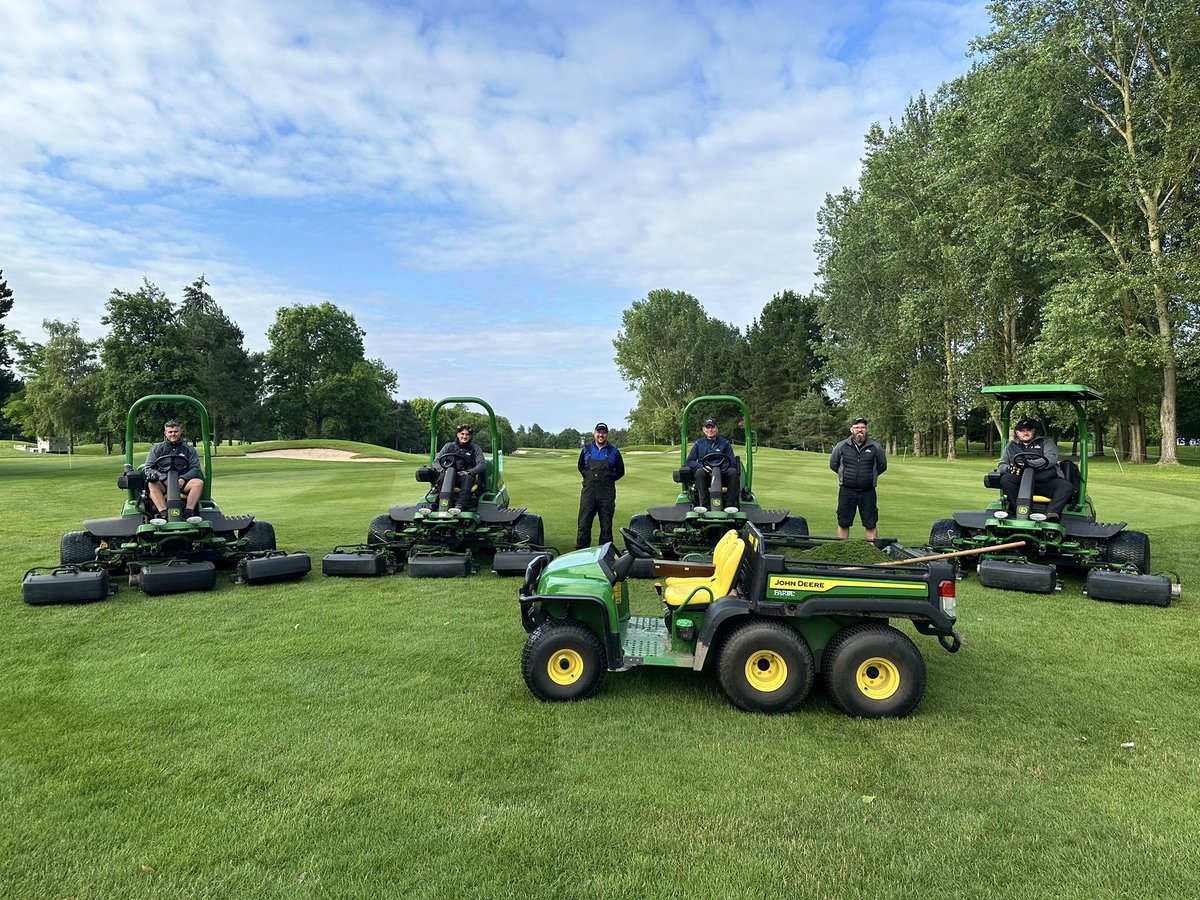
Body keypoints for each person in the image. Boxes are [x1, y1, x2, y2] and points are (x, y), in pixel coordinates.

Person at [997, 418, 1072, 519]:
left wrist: (1028, 465)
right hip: (1022, 481)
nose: (1025, 433)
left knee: (1066, 486)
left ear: (1033, 431)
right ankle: (1018, 511)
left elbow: (1051, 459)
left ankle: (1051, 512)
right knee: (1006, 479)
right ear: (1017, 433)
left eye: (1028, 430)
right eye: (1022, 431)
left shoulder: (1045, 442)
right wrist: (1009, 469)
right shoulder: (1011, 446)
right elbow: (1002, 464)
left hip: (1045, 480)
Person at [829, 417, 887, 540]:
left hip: (868, 491)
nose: (860, 430)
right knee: (843, 522)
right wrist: (846, 476)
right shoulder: (841, 446)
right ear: (851, 430)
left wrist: (869, 478)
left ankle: (871, 551)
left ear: (866, 430)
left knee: (870, 523)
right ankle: (842, 549)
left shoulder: (875, 447)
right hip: (847, 490)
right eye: (857, 427)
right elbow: (834, 464)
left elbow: (882, 466)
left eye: (863, 427)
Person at [576, 422, 625, 549]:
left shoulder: (614, 451)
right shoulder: (586, 450)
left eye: (603, 432)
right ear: (594, 433)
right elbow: (581, 467)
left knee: (606, 526)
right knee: (583, 525)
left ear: (607, 434)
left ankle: (605, 557)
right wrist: (590, 478)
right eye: (599, 432)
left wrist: (608, 480)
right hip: (589, 494)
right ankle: (581, 555)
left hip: (606, 494)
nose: (601, 435)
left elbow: (620, 472)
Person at [144, 419, 204, 521]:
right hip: (163, 484)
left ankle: (188, 512)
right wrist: (164, 479)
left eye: (176, 431)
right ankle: (164, 514)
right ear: (165, 433)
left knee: (198, 483)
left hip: (183, 483)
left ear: (180, 432)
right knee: (152, 484)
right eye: (170, 432)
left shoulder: (189, 450)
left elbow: (195, 468)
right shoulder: (157, 449)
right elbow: (148, 468)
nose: (173, 434)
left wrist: (183, 479)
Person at [686, 418, 737, 509]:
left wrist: (719, 468)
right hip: (706, 473)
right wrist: (702, 466)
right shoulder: (698, 443)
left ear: (717, 429)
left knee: (733, 472)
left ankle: (730, 505)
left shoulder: (725, 443)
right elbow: (690, 461)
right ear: (704, 430)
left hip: (722, 473)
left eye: (712, 427)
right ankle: (704, 505)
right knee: (699, 472)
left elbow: (732, 462)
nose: (710, 430)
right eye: (708, 427)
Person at [435, 424, 487, 510]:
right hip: (449, 475)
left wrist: (469, 472)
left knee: (468, 479)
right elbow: (436, 462)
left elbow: (482, 464)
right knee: (442, 477)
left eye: (467, 434)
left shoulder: (475, 449)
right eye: (462, 434)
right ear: (458, 434)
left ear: (470, 436)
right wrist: (443, 470)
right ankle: (444, 503)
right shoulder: (448, 446)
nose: (464, 436)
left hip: (465, 475)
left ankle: (460, 504)